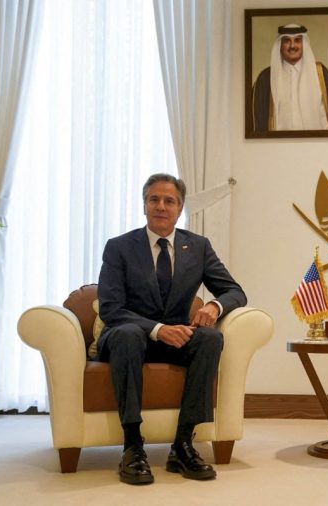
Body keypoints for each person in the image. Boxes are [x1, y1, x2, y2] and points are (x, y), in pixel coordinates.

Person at [97, 173, 247, 485]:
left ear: (179, 209)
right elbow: (111, 309)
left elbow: (234, 292)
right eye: (154, 199)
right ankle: (132, 446)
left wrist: (213, 307)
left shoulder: (198, 247)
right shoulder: (119, 247)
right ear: (144, 206)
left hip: (174, 338)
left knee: (210, 338)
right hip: (127, 335)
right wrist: (156, 328)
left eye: (169, 201)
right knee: (127, 334)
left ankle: (182, 445)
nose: (161, 206)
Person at [251, 24, 328, 132]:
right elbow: (257, 121)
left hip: (317, 144)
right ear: (280, 45)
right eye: (286, 41)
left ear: (303, 43)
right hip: (278, 146)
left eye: (297, 40)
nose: (292, 46)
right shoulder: (265, 78)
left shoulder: (320, 73)